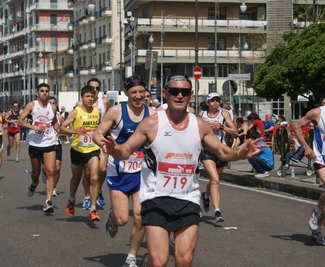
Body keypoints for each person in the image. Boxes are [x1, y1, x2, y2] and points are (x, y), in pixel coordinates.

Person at [100, 73, 261, 266]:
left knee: (185, 259)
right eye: (174, 91)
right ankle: (148, 260)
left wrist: (239, 154)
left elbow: (221, 151)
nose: (179, 95)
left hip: (187, 198)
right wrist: (115, 150)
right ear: (165, 93)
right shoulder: (151, 123)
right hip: (156, 198)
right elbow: (125, 150)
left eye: (184, 91)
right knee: (158, 262)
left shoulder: (199, 125)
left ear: (191, 95)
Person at [92, 75, 155, 267]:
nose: (137, 96)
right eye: (133, 92)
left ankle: (131, 257)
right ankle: (112, 217)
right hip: (119, 170)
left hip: (142, 172)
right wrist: (103, 145)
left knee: (140, 216)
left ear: (146, 92)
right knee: (122, 219)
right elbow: (97, 133)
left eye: (141, 92)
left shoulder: (152, 113)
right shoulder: (116, 112)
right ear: (126, 93)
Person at [61, 85, 102, 221]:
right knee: (76, 178)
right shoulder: (75, 112)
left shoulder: (97, 112)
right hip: (78, 149)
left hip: (93, 149)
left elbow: (100, 128)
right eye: (87, 96)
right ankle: (71, 199)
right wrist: (74, 131)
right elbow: (62, 128)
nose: (90, 99)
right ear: (82, 98)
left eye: (92, 96)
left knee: (94, 177)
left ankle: (93, 208)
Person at [18, 83, 60, 213]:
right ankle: (34, 184)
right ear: (37, 93)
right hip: (35, 144)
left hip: (49, 143)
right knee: (35, 173)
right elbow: (20, 121)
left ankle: (48, 202)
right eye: (42, 91)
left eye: (47, 91)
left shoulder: (52, 107)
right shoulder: (32, 105)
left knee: (50, 171)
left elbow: (54, 124)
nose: (44, 93)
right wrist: (33, 127)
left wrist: (60, 132)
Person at [199, 92, 238, 223]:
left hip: (220, 149)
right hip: (206, 150)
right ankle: (217, 211)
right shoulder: (202, 115)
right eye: (213, 100)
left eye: (217, 100)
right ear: (208, 103)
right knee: (214, 179)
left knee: (215, 179)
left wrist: (221, 126)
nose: (216, 103)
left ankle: (206, 195)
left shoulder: (224, 114)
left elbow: (235, 131)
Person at [76, 78, 110, 210]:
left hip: (101, 139)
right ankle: (86, 197)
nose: (94, 91)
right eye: (92, 88)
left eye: (97, 88)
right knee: (88, 171)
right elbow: (77, 119)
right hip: (86, 141)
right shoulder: (79, 104)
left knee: (102, 169)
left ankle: (98, 190)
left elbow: (111, 118)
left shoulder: (105, 102)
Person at [293, 104, 325, 245]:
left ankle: (317, 230)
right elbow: (296, 126)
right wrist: (305, 146)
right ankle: (316, 212)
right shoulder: (317, 113)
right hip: (321, 158)